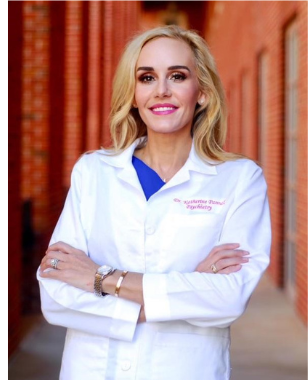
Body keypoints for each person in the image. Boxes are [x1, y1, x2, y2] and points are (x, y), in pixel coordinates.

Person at [37, 25, 271, 380]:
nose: (161, 90)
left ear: (202, 92)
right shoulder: (93, 172)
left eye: (177, 76)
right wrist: (187, 287)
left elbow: (228, 298)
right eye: (146, 77)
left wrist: (100, 278)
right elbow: (55, 292)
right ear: (133, 94)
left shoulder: (240, 179)